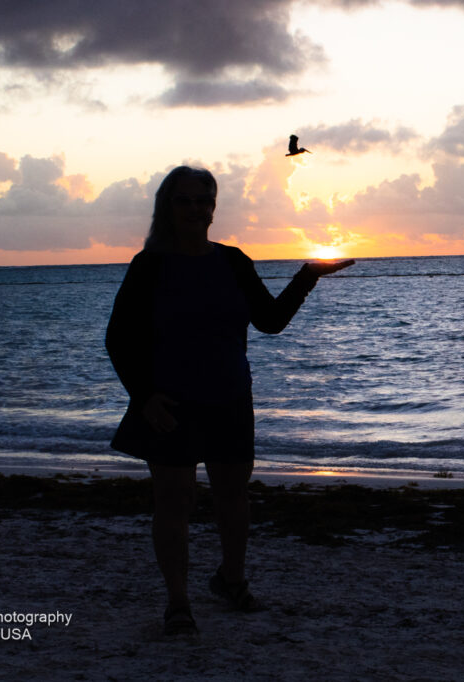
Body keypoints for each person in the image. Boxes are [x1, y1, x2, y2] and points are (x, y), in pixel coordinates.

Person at [105, 166, 354, 637]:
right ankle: (178, 602)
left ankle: (231, 580)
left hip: (230, 399)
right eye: (186, 200)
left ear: (213, 208)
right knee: (174, 504)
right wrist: (143, 397)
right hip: (172, 405)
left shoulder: (233, 260)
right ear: (168, 206)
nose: (197, 209)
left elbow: (269, 322)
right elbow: (119, 338)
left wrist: (308, 275)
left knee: (233, 499)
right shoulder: (150, 265)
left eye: (204, 200)